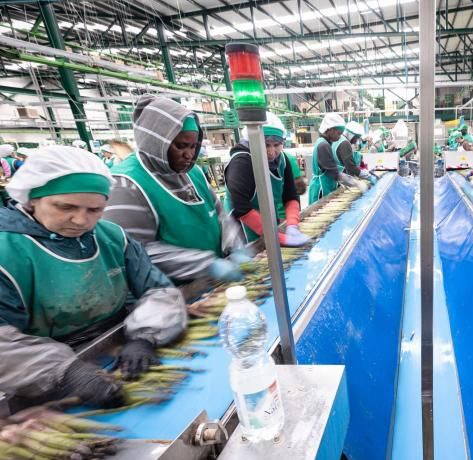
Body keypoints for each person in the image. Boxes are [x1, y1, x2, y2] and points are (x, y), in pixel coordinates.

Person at [0, 146, 187, 408]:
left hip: (118, 354)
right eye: (65, 207)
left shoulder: (112, 237)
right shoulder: (7, 252)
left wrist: (144, 337)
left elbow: (159, 290)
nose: (81, 221)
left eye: (95, 210)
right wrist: (67, 373)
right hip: (40, 383)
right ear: (32, 199)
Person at [103, 95, 245, 283]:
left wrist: (234, 244)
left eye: (193, 146)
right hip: (169, 291)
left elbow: (220, 215)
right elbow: (134, 251)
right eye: (181, 146)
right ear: (156, 141)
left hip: (211, 283)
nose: (189, 154)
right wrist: (206, 265)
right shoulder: (126, 184)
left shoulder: (193, 173)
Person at [224, 112, 311, 248]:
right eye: (266, 145)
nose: (271, 152)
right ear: (253, 141)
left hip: (268, 225)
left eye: (276, 145)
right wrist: (277, 238)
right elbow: (241, 208)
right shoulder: (241, 163)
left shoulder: (282, 160)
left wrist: (292, 225)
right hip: (242, 231)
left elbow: (290, 196)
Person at [309, 113, 369, 205]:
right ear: (331, 130)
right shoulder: (323, 145)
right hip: (321, 188)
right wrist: (355, 183)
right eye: (339, 133)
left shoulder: (324, 142)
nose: (339, 137)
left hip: (327, 184)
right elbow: (334, 172)